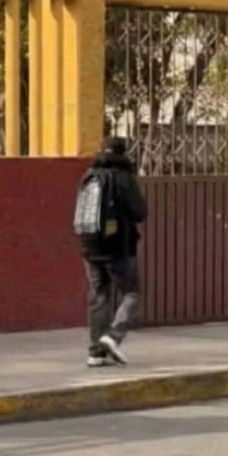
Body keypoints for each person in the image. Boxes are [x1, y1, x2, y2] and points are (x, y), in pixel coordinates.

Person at [78, 137, 147, 367]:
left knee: (98, 296)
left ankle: (96, 354)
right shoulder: (123, 178)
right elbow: (140, 212)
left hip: (89, 246)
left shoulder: (88, 176)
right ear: (123, 153)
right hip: (118, 247)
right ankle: (112, 337)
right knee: (131, 293)